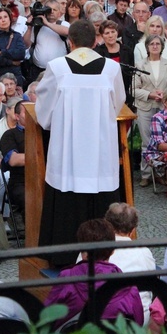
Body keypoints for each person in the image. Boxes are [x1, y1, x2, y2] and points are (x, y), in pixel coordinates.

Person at [36, 20, 126, 267]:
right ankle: (103, 255)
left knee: (67, 202)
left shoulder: (56, 67)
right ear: (96, 41)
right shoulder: (110, 68)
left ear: (70, 42)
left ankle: (64, 257)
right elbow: (117, 103)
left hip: (68, 152)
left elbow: (44, 110)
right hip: (101, 150)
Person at [45, 219, 144, 330]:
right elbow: (137, 325)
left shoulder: (66, 279)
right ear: (112, 250)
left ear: (82, 250)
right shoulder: (129, 289)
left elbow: (45, 318)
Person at [134, 34, 167, 187]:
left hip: (163, 108)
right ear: (147, 47)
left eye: (157, 44)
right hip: (145, 106)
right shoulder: (140, 64)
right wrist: (150, 94)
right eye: (151, 44)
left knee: (163, 142)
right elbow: (133, 89)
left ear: (162, 47)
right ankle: (146, 174)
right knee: (147, 142)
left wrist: (165, 95)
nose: (154, 46)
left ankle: (161, 173)